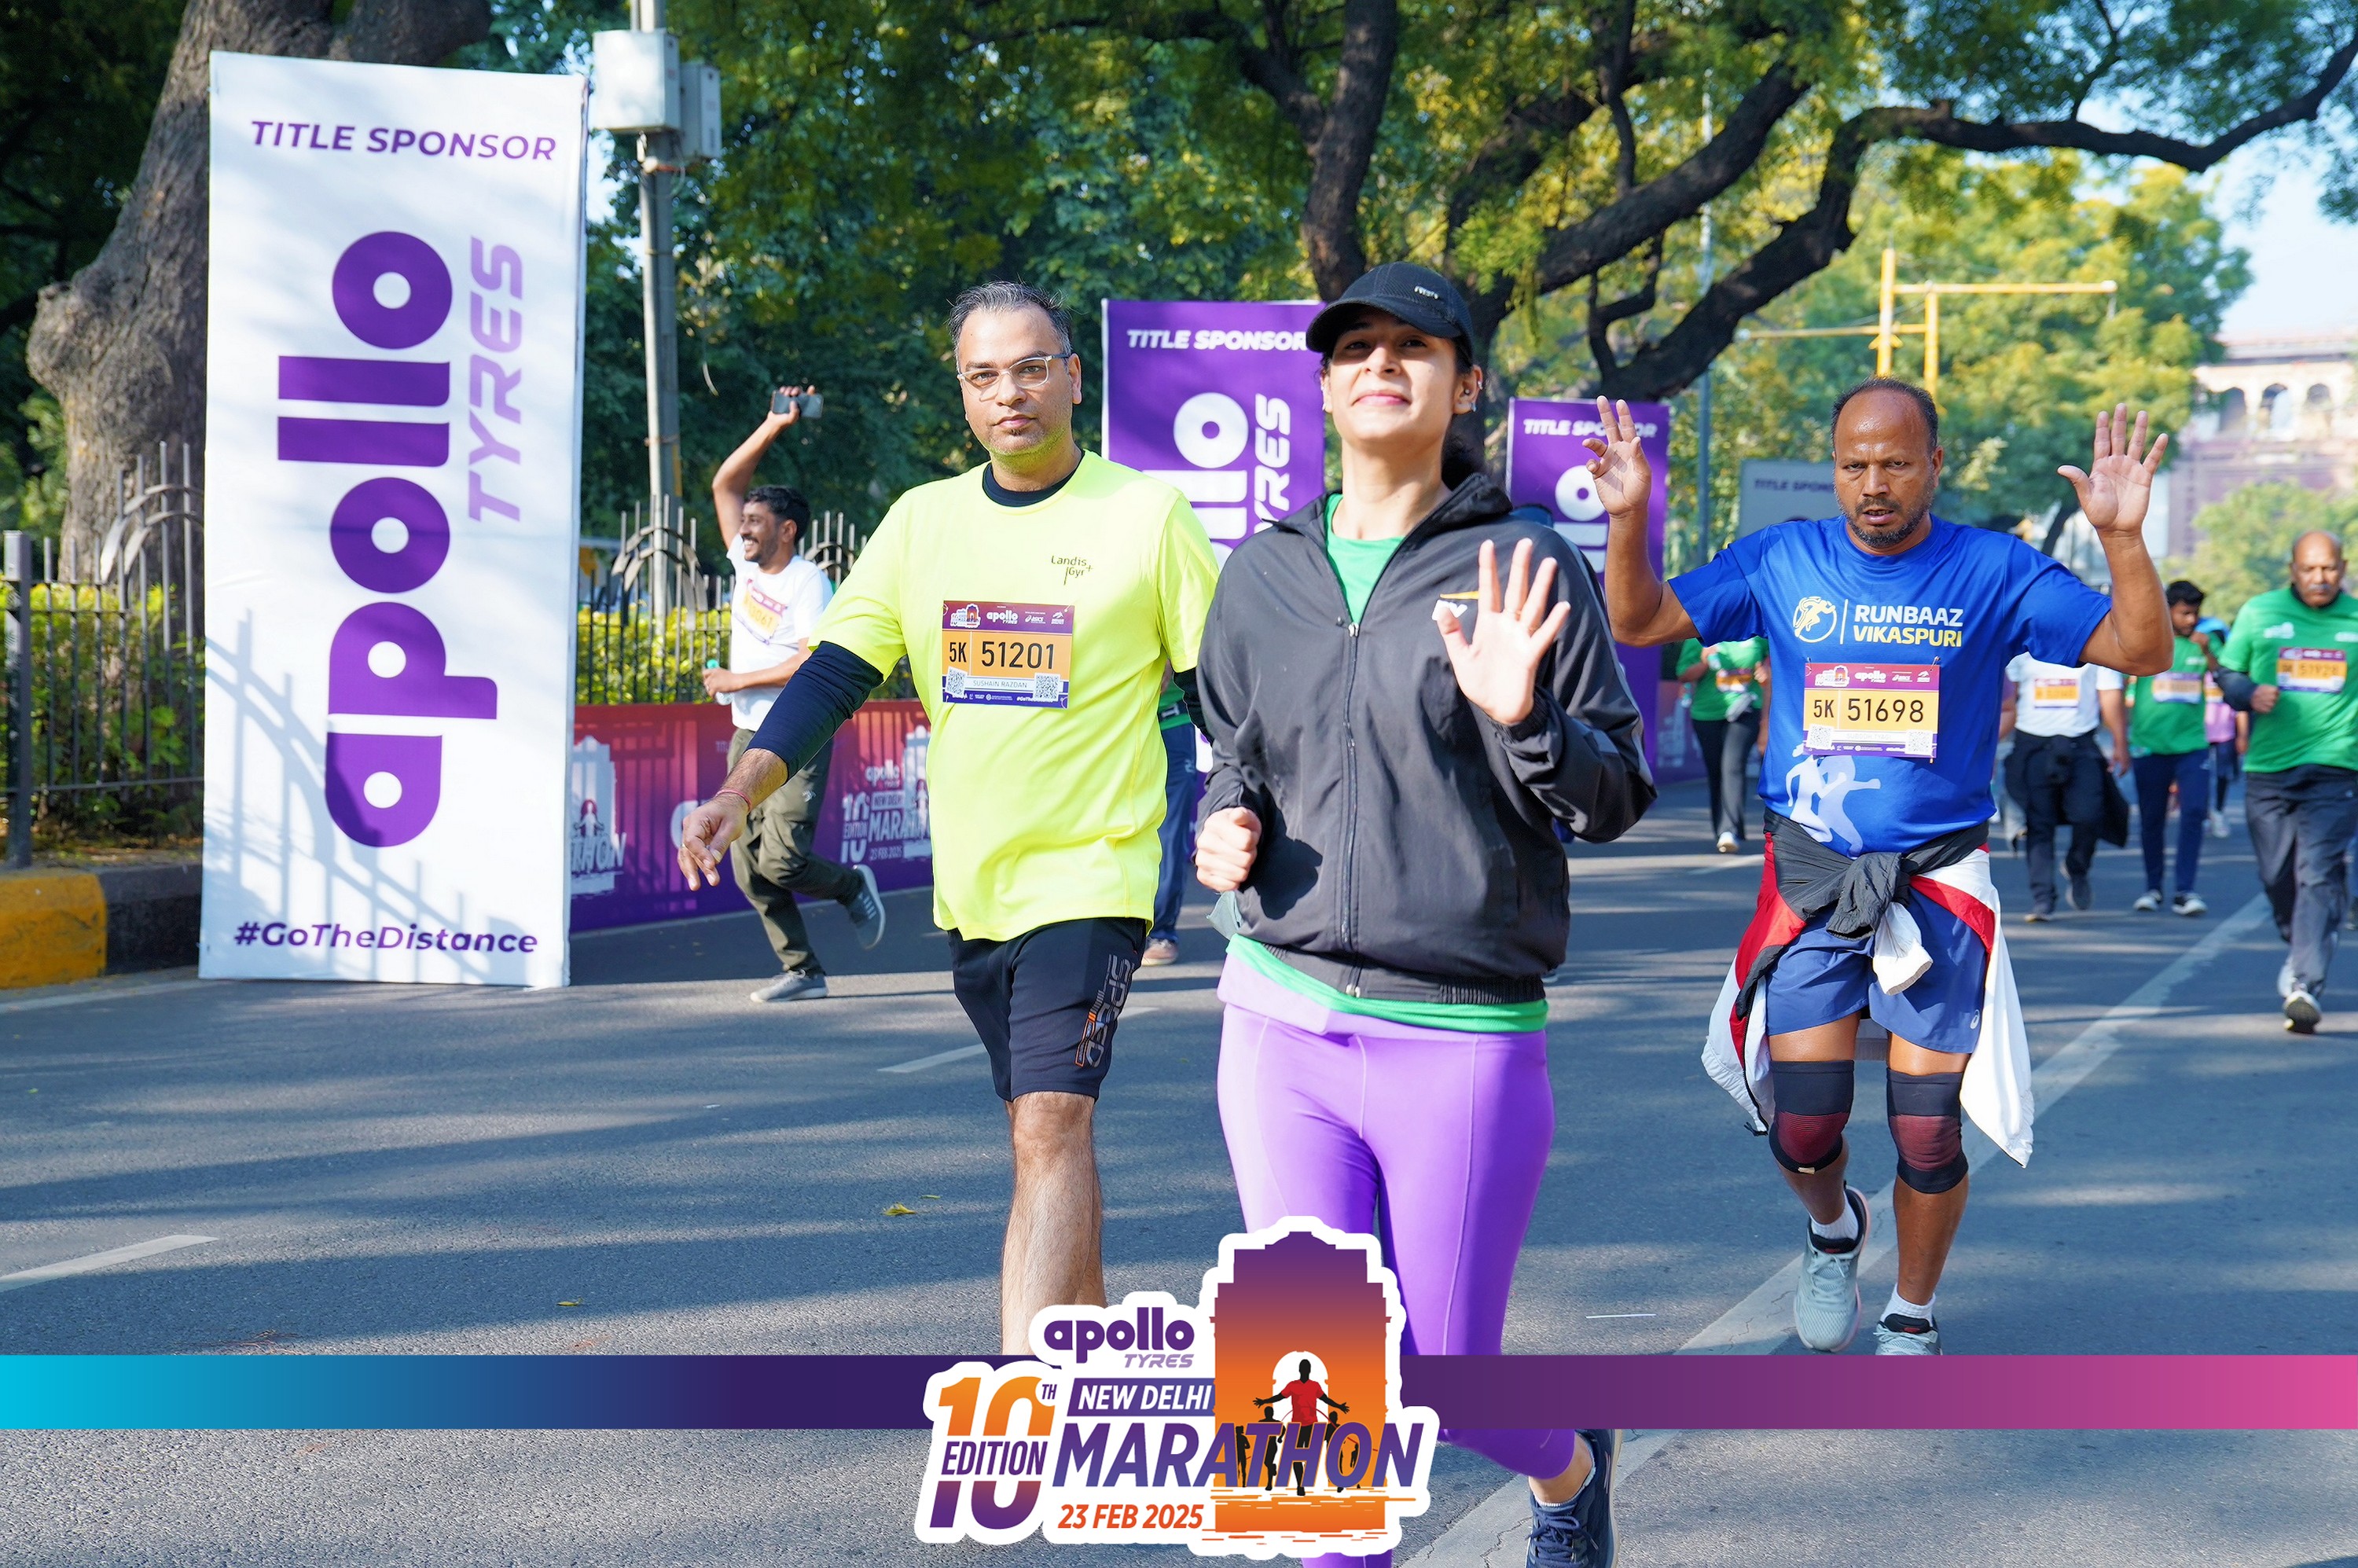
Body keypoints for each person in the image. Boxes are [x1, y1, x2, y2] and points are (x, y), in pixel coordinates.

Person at [1194, 263, 1652, 1567]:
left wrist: (1526, 714)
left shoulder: (1523, 562)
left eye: (1415, 346)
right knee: (1312, 1405)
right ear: (1326, 385)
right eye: (1357, 348)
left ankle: (1568, 1467)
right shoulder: (1265, 572)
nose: (1381, 365)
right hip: (1279, 1019)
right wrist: (1224, 822)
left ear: (1466, 384)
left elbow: (1613, 792)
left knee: (1445, 1375)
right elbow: (1237, 747)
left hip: (1457, 1030)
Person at [676, 281, 1220, 1347]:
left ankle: (1026, 1392)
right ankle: (1089, 1361)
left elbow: (1222, 695)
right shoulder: (922, 522)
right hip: (976, 889)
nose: (1009, 392)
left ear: (1072, 376)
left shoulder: (1148, 516)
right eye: (984, 375)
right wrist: (739, 790)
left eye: (1031, 367)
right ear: (963, 395)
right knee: (1042, 1130)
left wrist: (1265, 821)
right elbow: (834, 675)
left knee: (1051, 1123)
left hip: (1094, 875)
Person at [1601, 380, 2172, 1356]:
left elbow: (2141, 649)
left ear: (1934, 466)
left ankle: (1911, 1310)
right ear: (1834, 469)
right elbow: (1642, 621)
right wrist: (1628, 517)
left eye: (1896, 464)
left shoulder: (1994, 569)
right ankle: (1835, 1230)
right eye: (1854, 464)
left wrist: (2120, 537)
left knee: (1927, 1127)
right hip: (1814, 881)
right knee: (1804, 1126)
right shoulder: (1783, 559)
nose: (1874, 484)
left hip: (1937, 884)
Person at [704, 398, 887, 1001]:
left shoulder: (810, 582)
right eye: (744, 522)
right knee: (747, 869)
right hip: (745, 735)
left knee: (781, 860)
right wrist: (774, 424)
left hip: (795, 738)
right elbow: (725, 484)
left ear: (787, 530)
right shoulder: (745, 565)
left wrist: (737, 680)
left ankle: (850, 885)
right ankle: (804, 969)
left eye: (756, 522)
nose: (744, 530)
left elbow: (813, 662)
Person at [2214, 531, 2358, 1033]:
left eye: (2329, 568)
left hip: (2337, 766)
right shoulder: (2260, 612)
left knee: (2317, 871)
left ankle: (2305, 982)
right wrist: (2249, 692)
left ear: (2343, 568)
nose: (2320, 578)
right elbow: (2227, 674)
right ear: (2293, 570)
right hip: (2269, 769)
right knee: (2277, 877)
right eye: (2309, 568)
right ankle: (2302, 943)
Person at [1999, 652, 2125, 921]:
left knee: (2089, 815)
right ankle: (2043, 899)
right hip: (2033, 746)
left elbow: (2110, 695)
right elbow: (2008, 698)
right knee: (2038, 825)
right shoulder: (2025, 647)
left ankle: (2077, 866)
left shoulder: (2097, 646)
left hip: (2081, 744)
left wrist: (2120, 743)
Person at [2124, 580, 2221, 915]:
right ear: (2167, 611)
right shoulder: (2150, 641)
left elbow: (2225, 676)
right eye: (2184, 614)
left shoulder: (2204, 643)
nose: (2191, 620)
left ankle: (2185, 891)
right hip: (2149, 746)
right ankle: (2152, 888)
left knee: (2194, 814)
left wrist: (2208, 652)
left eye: (2195, 613)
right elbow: (2119, 679)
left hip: (2192, 747)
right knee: (2152, 819)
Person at [1676, 633, 1769, 851]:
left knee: (1732, 766)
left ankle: (1729, 830)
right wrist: (1704, 662)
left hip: (1746, 709)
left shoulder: (1757, 637)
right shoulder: (1697, 638)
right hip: (1706, 714)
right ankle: (1726, 828)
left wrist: (1766, 673)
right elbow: (1683, 675)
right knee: (1716, 771)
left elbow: (1773, 671)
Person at [1143, 671, 1199, 966]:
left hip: (1173, 717)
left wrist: (1169, 656)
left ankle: (1161, 931)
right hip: (1114, 719)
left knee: (1171, 833)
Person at [2201, 612, 2244, 840]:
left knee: (2222, 774)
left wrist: (2242, 735)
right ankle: (2203, 813)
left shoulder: (2229, 674)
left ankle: (2217, 811)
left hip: (2225, 731)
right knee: (2200, 775)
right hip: (2200, 732)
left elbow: (2239, 705)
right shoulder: (2198, 670)